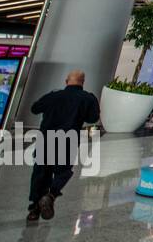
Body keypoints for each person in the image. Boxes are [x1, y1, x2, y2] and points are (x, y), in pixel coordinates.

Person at [26, 70, 99, 223]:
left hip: (46, 138)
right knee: (63, 171)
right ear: (82, 82)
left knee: (40, 172)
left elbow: (34, 108)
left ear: (66, 81)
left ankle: (34, 210)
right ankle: (51, 195)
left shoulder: (53, 96)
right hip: (68, 139)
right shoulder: (87, 98)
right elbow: (92, 118)